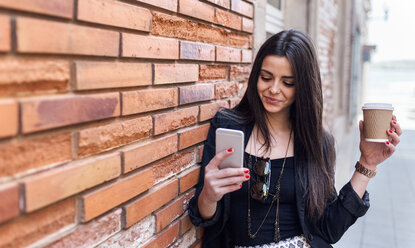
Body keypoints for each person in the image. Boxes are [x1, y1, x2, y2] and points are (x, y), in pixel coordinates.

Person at [187, 29, 402, 248]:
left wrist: (367, 163)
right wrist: (209, 196)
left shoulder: (317, 143)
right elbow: (204, 217)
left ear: (304, 87)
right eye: (266, 77)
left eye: (288, 83)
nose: (273, 89)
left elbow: (329, 229)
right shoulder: (227, 127)